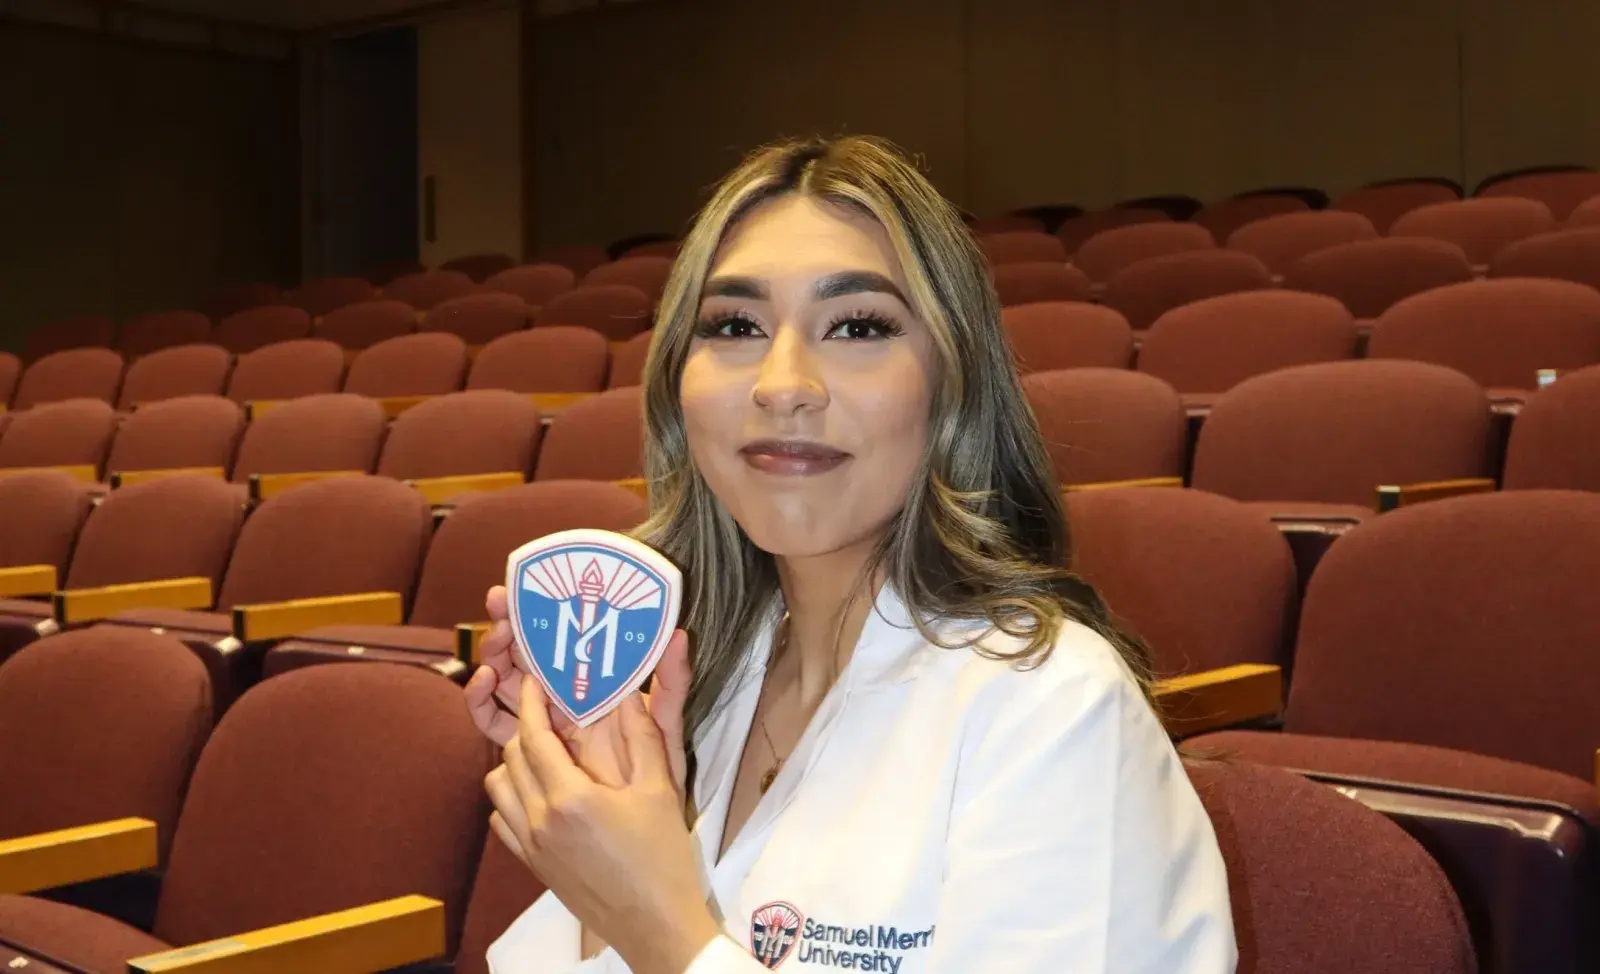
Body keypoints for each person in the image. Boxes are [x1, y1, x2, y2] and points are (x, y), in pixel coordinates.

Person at [464, 135, 1236, 973]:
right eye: (735, 325)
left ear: (950, 383)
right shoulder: (698, 689)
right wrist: (606, 790)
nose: (783, 382)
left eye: (859, 325)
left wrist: (666, 934)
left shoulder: (1054, 709)